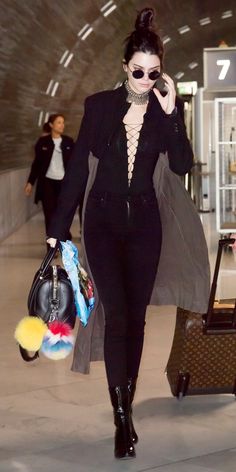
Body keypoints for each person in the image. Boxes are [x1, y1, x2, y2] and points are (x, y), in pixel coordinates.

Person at [47, 8, 210, 459]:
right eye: (137, 71)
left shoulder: (164, 112)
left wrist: (173, 113)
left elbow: (181, 165)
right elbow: (79, 170)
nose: (143, 79)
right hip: (101, 223)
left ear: (161, 72)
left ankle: (127, 406)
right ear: (124, 68)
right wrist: (57, 230)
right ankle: (121, 416)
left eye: (152, 72)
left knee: (135, 321)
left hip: (145, 227)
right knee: (117, 315)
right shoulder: (99, 106)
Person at [24, 114, 74, 241]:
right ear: (51, 125)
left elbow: (75, 164)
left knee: (62, 214)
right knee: (49, 214)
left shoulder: (68, 142)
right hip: (47, 183)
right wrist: (30, 182)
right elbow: (36, 164)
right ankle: (51, 246)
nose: (62, 125)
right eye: (59, 122)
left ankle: (63, 239)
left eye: (63, 122)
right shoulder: (42, 142)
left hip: (64, 184)